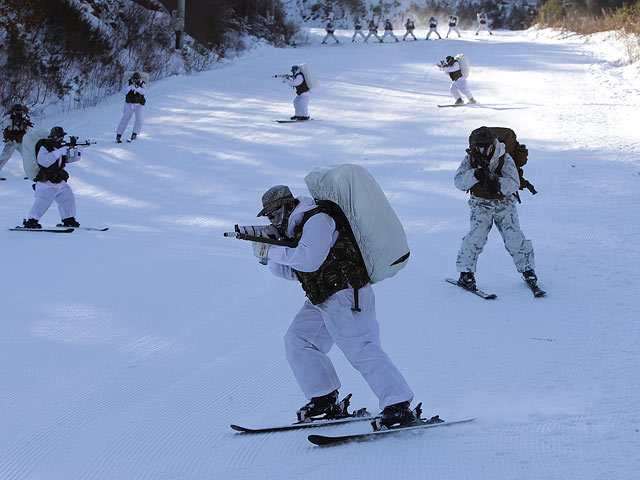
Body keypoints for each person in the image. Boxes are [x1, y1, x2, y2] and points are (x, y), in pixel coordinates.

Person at [250, 185, 418, 428]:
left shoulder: (317, 219)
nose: (273, 221)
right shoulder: (295, 229)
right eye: (269, 217)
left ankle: (398, 404)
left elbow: (309, 259)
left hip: (347, 294)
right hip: (323, 297)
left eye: (275, 214)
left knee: (360, 347)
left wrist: (274, 250)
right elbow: (294, 272)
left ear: (289, 206)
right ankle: (324, 399)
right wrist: (268, 255)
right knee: (298, 341)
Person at [454, 127, 538, 289]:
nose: (483, 149)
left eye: (487, 145)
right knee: (476, 236)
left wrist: (497, 184)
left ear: (493, 143)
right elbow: (458, 182)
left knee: (513, 237)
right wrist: (475, 175)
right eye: (480, 145)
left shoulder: (504, 157)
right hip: (480, 203)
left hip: (504, 204)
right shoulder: (470, 158)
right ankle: (466, 273)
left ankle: (528, 270)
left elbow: (514, 183)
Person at [22, 126, 83, 229]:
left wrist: (78, 150)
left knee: (67, 197)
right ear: (52, 137)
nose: (60, 139)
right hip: (46, 181)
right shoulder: (45, 146)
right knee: (43, 201)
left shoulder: (60, 147)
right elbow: (44, 162)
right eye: (57, 137)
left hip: (58, 180)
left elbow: (69, 159)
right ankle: (31, 221)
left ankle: (68, 219)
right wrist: (58, 152)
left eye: (61, 137)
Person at [1, 104, 33, 180]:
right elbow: (4, 128)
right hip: (12, 141)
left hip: (20, 141)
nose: (19, 113)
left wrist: (26, 126)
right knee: (4, 157)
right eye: (18, 111)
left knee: (27, 156)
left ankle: (31, 173)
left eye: (20, 111)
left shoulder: (24, 119)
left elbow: (30, 130)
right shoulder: (9, 119)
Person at [116, 71, 146, 143]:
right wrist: (130, 87)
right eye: (135, 79)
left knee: (139, 119)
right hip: (129, 104)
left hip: (139, 104)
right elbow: (123, 92)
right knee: (125, 119)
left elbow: (144, 92)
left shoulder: (142, 84)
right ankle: (119, 134)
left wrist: (137, 88)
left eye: (137, 79)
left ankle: (135, 133)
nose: (136, 80)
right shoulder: (129, 83)